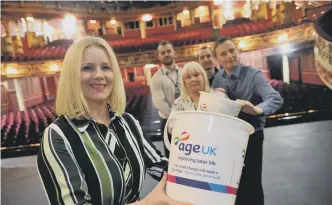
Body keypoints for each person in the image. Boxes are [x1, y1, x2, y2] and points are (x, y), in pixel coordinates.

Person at [37, 36, 191, 205]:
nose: (99, 75)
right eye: (88, 68)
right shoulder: (57, 135)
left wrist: (200, 172)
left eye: (105, 67)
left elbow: (159, 164)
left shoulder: (127, 122)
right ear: (72, 76)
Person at [212, 36, 283, 205]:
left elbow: (275, 98)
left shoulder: (254, 75)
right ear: (217, 59)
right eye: (223, 54)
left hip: (251, 137)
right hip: (229, 139)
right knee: (233, 182)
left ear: (238, 51)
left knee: (252, 182)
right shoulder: (218, 78)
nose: (229, 56)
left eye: (232, 50)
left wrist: (257, 109)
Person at [150, 40, 182, 158]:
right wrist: (177, 119)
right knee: (172, 156)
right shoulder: (156, 79)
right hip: (168, 122)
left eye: (169, 51)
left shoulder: (183, 72)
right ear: (159, 56)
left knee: (188, 155)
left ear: (174, 52)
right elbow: (160, 105)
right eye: (163, 53)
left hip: (187, 120)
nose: (166, 54)